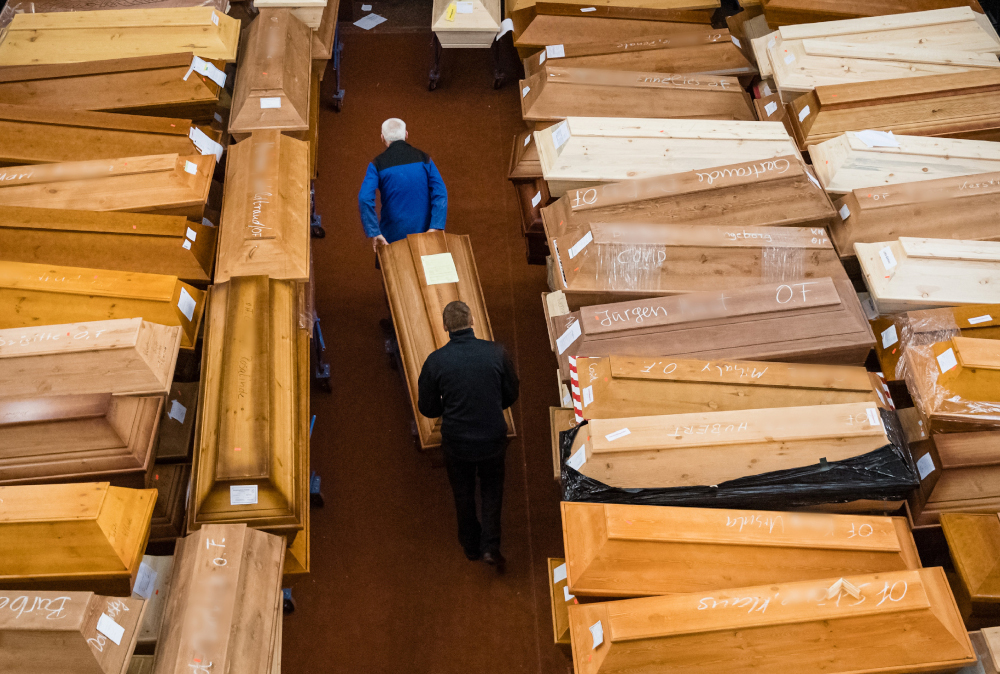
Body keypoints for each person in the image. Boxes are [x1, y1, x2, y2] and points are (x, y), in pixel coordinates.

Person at [417, 301, 519, 573]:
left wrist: (447, 407)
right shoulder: (497, 352)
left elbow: (427, 407)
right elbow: (511, 394)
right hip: (492, 439)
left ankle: (470, 545)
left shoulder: (435, 361)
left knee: (462, 492)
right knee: (491, 490)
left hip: (457, 442)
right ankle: (491, 546)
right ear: (472, 321)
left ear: (445, 327)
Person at [358, 118, 448, 252]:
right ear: (406, 134)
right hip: (424, 235)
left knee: (394, 272)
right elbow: (440, 193)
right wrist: (435, 226)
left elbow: (365, 198)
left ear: (382, 138)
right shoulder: (424, 158)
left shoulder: (376, 164)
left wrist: (375, 232)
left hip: (392, 238)